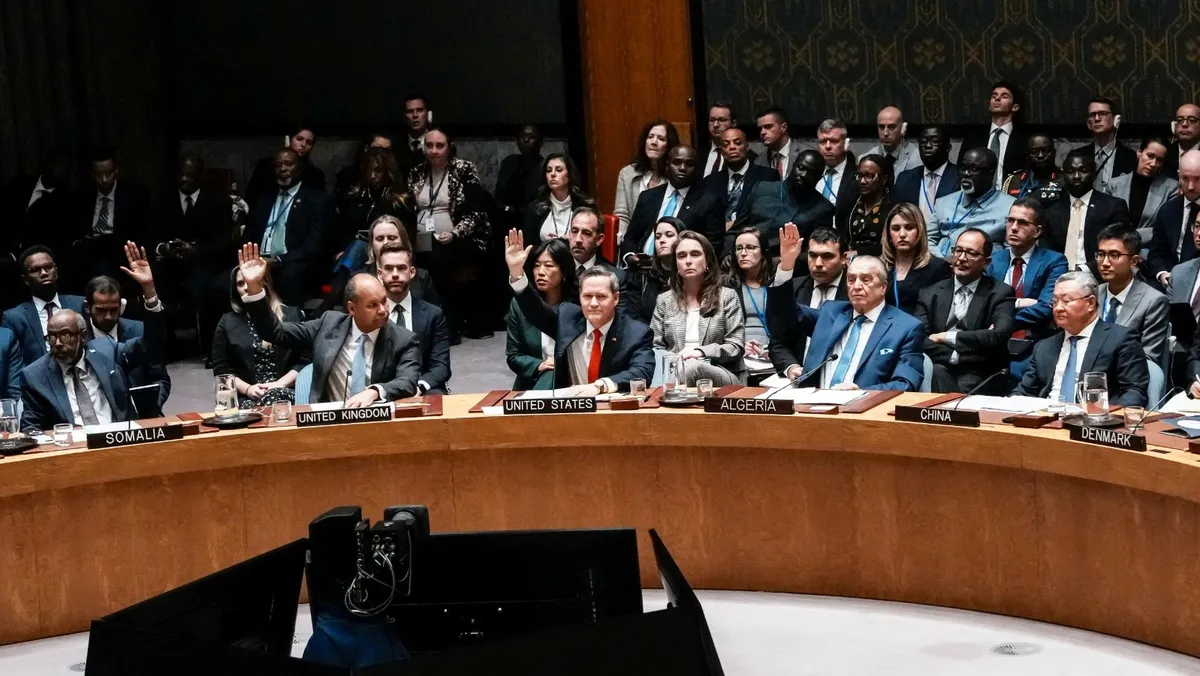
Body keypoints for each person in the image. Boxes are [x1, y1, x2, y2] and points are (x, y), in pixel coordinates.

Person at [235, 243, 420, 405]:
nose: (383, 310)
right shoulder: (328, 325)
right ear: (352, 308)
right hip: (329, 420)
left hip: (378, 421)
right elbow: (275, 333)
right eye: (372, 305)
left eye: (384, 301)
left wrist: (374, 392)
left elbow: (408, 381)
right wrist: (254, 287)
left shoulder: (404, 340)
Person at [20, 242, 166, 432]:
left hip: (118, 438)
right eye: (51, 337)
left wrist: (148, 288)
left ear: (82, 336)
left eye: (65, 335)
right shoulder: (34, 376)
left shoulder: (108, 351)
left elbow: (151, 343)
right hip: (72, 446)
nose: (58, 343)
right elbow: (30, 428)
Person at [768, 223, 924, 390]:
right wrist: (787, 265)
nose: (856, 286)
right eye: (851, 279)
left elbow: (906, 384)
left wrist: (861, 393)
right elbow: (785, 311)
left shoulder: (906, 328)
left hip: (866, 404)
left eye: (865, 280)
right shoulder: (831, 313)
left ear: (883, 287)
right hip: (814, 401)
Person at [504, 230, 654, 394]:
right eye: (588, 296)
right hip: (568, 404)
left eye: (601, 296)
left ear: (616, 298)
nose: (594, 303)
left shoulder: (636, 333)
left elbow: (642, 371)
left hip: (611, 404)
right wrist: (517, 274)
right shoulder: (568, 319)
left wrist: (599, 386)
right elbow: (534, 310)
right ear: (580, 297)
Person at [1013, 270, 1149, 406]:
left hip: (1094, 415)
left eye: (1066, 301)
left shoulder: (1121, 339)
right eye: (1054, 302)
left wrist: (1106, 416)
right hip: (1048, 415)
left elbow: (1134, 392)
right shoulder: (1044, 346)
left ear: (1090, 303)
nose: (1058, 308)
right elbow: (1024, 392)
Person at [408, 126, 491, 340]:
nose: (434, 151)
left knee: (437, 260)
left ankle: (447, 326)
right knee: (413, 259)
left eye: (439, 146)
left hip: (462, 238)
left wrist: (454, 233)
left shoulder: (463, 169)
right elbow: (409, 208)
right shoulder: (416, 172)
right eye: (429, 145)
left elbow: (476, 212)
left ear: (449, 147)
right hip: (423, 238)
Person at [914, 228, 1016, 393]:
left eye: (971, 253)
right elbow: (918, 338)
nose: (961, 258)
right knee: (934, 374)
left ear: (987, 262)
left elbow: (999, 336)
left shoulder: (1000, 293)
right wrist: (956, 356)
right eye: (958, 251)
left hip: (981, 374)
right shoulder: (930, 293)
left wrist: (946, 337)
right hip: (938, 367)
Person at [153, 152, 236, 351]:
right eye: (181, 174)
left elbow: (223, 241)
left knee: (209, 289)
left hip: (205, 263)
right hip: (170, 263)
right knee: (152, 285)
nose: (184, 179)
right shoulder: (162, 199)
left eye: (189, 175)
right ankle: (166, 346)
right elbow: (151, 235)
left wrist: (196, 250)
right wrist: (164, 248)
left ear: (200, 176)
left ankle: (211, 348)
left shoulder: (218, 201)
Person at [651, 231, 746, 386]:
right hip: (675, 368)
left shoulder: (727, 296)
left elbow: (735, 346)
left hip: (722, 371)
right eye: (681, 256)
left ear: (707, 261)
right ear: (676, 265)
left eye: (695, 254)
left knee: (692, 367)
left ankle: (660, 394)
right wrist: (676, 360)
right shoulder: (664, 300)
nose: (688, 261)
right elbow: (655, 346)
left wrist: (699, 352)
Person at [243, 147, 333, 305]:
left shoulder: (316, 200)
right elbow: (249, 235)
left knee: (288, 278)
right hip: (259, 260)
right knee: (220, 284)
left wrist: (278, 260)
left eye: (288, 164)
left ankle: (289, 321)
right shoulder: (263, 199)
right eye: (278, 165)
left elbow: (314, 246)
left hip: (292, 262)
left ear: (300, 168)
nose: (283, 169)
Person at [211, 265, 310, 409]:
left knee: (275, 397)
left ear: (265, 283)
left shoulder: (291, 315)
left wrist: (279, 384)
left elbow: (305, 361)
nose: (246, 287)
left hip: (287, 389)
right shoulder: (227, 322)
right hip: (247, 395)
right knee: (258, 407)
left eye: (251, 281)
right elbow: (222, 371)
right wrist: (248, 389)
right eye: (240, 284)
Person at [83, 275, 172, 416]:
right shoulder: (79, 340)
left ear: (121, 306)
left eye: (113, 310)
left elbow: (160, 378)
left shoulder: (139, 331)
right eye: (101, 310)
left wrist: (150, 408)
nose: (108, 316)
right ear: (87, 307)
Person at [767, 227, 849, 378]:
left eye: (827, 256)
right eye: (813, 255)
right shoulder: (793, 289)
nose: (818, 263)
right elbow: (778, 342)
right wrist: (791, 367)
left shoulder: (855, 291)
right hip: (799, 380)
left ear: (844, 258)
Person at [987, 198, 1070, 346]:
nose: (1013, 228)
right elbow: (984, 304)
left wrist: (1005, 323)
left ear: (1037, 231)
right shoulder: (994, 260)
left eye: (1022, 223)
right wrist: (1020, 302)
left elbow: (1046, 307)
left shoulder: (1054, 261)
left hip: (1034, 341)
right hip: (993, 340)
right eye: (1010, 220)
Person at [320, 215, 439, 315]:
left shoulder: (422, 277)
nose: (386, 243)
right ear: (372, 245)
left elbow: (435, 316)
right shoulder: (357, 278)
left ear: (403, 241)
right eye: (380, 238)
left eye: (392, 238)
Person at [70, 146, 150, 290]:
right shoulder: (83, 196)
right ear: (92, 174)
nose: (104, 179)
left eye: (108, 173)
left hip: (118, 252)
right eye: (99, 175)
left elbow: (140, 232)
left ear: (116, 170)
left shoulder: (133, 195)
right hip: (89, 251)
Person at [374, 244, 450, 395]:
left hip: (421, 386)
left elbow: (441, 366)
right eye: (389, 268)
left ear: (412, 272)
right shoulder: (370, 314)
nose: (395, 274)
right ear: (379, 273)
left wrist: (419, 387)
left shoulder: (433, 314)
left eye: (401, 268)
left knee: (436, 396)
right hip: (381, 389)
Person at [1040, 148, 1132, 273]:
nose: (1076, 176)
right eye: (1070, 171)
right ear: (1063, 175)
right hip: (1057, 273)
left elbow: (1119, 247)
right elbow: (1046, 250)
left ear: (1093, 174)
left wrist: (1083, 270)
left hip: (1099, 274)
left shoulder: (1113, 206)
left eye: (1083, 171)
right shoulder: (1051, 210)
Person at [506, 238, 579, 390]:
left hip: (571, 382)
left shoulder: (578, 304)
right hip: (533, 382)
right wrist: (539, 365)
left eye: (549, 266)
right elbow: (513, 355)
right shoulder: (520, 304)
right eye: (536, 265)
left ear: (564, 271)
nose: (540, 272)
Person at [622, 145, 722, 258]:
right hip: (641, 264)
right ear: (667, 166)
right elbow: (631, 236)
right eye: (677, 163)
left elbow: (712, 245)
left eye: (689, 164)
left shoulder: (708, 201)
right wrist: (630, 256)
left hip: (681, 265)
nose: (682, 168)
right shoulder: (648, 197)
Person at [734, 149, 835, 256]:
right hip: (744, 254)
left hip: (783, 261)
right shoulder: (761, 188)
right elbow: (736, 229)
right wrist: (727, 254)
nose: (804, 175)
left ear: (819, 178)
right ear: (793, 166)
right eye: (801, 168)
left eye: (811, 173)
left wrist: (783, 262)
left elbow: (814, 250)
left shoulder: (823, 209)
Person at [1094, 226, 1169, 365]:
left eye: (1114, 255)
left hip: (1128, 374)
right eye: (1101, 254)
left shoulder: (1153, 301)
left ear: (1134, 261)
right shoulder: (1091, 294)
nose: (1105, 263)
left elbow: (1148, 357)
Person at [3, 246, 86, 365]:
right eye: (35, 270)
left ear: (56, 272)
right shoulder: (13, 318)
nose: (43, 273)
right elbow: (14, 363)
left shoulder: (80, 304)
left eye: (48, 267)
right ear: (25, 279)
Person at [928, 148, 1016, 257]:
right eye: (963, 168)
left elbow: (1012, 248)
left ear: (991, 173)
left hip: (987, 266)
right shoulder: (943, 203)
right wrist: (942, 262)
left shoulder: (1011, 207)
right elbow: (927, 240)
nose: (966, 174)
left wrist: (984, 264)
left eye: (974, 169)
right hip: (943, 264)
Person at [0, 147, 75, 270]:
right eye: (59, 165)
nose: (62, 171)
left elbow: (54, 240)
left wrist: (15, 256)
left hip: (31, 256)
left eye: (67, 168)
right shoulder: (20, 185)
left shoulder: (67, 201)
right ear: (48, 164)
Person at [335, 147, 416, 256]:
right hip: (357, 251)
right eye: (369, 170)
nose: (372, 176)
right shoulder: (355, 198)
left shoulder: (399, 201)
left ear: (387, 171)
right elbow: (344, 229)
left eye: (378, 170)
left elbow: (406, 236)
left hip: (389, 252)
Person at [701, 127, 778, 232]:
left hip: (753, 234)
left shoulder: (767, 176)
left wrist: (735, 225)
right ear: (721, 151)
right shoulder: (710, 181)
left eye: (737, 143)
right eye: (726, 144)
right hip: (717, 236)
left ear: (747, 146)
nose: (732, 147)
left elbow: (769, 213)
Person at [614, 119, 679, 242]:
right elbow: (622, 214)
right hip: (632, 241)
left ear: (669, 146)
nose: (654, 142)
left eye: (661, 139)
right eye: (650, 137)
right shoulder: (627, 174)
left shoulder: (675, 177)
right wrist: (623, 241)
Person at [881, 202, 951, 314]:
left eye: (909, 228)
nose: (902, 234)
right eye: (896, 228)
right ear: (889, 234)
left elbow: (940, 313)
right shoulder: (879, 267)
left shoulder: (937, 268)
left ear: (920, 231)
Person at [724, 227, 775, 374]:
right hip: (739, 356)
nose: (743, 253)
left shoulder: (777, 283)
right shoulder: (726, 286)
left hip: (772, 355)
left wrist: (775, 348)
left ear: (763, 252)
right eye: (739, 248)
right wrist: (739, 346)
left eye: (750, 247)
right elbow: (717, 328)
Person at [1103, 137, 1177, 237]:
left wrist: (1130, 236)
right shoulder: (1114, 184)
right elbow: (1105, 221)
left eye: (1159, 160)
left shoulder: (1171, 188)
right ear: (1139, 153)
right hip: (1116, 242)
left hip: (1150, 245)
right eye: (1150, 156)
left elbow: (1166, 226)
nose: (1153, 164)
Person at [961, 81, 1028, 186]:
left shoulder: (1024, 139)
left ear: (1015, 107)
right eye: (994, 96)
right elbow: (961, 167)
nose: (997, 98)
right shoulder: (973, 137)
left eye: (1004, 96)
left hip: (1012, 193)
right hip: (977, 192)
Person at [1149, 150, 1200, 288]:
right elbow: (1157, 252)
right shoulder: (1168, 210)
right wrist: (1162, 274)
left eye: (1197, 179)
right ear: (1178, 176)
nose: (1190, 186)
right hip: (1170, 282)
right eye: (1185, 178)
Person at [521, 153, 596, 244]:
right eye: (548, 171)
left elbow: (593, 244)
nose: (552, 174)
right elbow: (529, 246)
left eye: (559, 170)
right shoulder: (535, 209)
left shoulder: (585, 206)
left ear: (569, 175)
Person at [620, 216, 681, 324]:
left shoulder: (688, 275)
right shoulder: (642, 275)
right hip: (645, 331)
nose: (662, 240)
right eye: (657, 237)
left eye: (669, 235)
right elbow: (631, 315)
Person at [893, 126, 959, 224]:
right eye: (923, 142)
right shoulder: (904, 179)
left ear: (948, 147)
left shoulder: (960, 177)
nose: (928, 146)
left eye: (934, 141)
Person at [245, 127, 326, 203]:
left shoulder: (315, 174)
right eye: (299, 139)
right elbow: (251, 197)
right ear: (289, 139)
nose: (303, 145)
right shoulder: (266, 165)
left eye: (309, 142)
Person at [1077, 97, 1135, 192]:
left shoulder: (1131, 158)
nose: (1096, 119)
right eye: (1092, 115)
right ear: (1088, 124)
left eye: (1103, 113)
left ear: (1116, 120)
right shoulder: (1077, 156)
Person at [815, 118, 859, 233]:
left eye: (834, 141)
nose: (827, 146)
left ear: (845, 144)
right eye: (823, 141)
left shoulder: (856, 176)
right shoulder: (810, 173)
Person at [845, 154, 892, 257]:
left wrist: (859, 253)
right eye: (859, 175)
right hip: (850, 259)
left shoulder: (892, 206)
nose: (862, 181)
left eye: (869, 176)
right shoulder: (852, 202)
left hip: (882, 259)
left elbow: (892, 243)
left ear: (884, 179)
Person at [495, 124, 545, 212]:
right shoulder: (509, 163)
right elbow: (499, 196)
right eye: (522, 137)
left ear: (541, 142)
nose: (526, 140)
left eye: (531, 137)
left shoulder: (545, 167)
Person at [1000, 133, 1063, 203]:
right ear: (1027, 155)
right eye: (1034, 151)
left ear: (1054, 153)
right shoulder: (1013, 181)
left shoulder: (1064, 180)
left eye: (1045, 150)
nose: (1040, 155)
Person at [864, 106, 920, 176]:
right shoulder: (866, 160)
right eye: (881, 127)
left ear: (903, 129)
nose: (885, 133)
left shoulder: (917, 158)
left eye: (891, 127)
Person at [753, 106, 800, 179]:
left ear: (783, 127)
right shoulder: (758, 161)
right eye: (760, 129)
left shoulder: (804, 153)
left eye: (768, 127)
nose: (762, 132)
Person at [702, 102, 739, 177]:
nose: (715, 125)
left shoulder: (743, 154)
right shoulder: (699, 153)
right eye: (712, 120)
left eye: (721, 120)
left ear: (733, 123)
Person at [399, 94, 432, 172]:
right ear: (404, 117)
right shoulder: (396, 147)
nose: (415, 115)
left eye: (420, 110)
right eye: (410, 111)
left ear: (428, 114)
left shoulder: (438, 144)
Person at [1166, 103, 1200, 178]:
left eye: (1192, 120)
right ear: (1174, 126)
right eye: (1179, 120)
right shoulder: (1166, 153)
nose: (1184, 124)